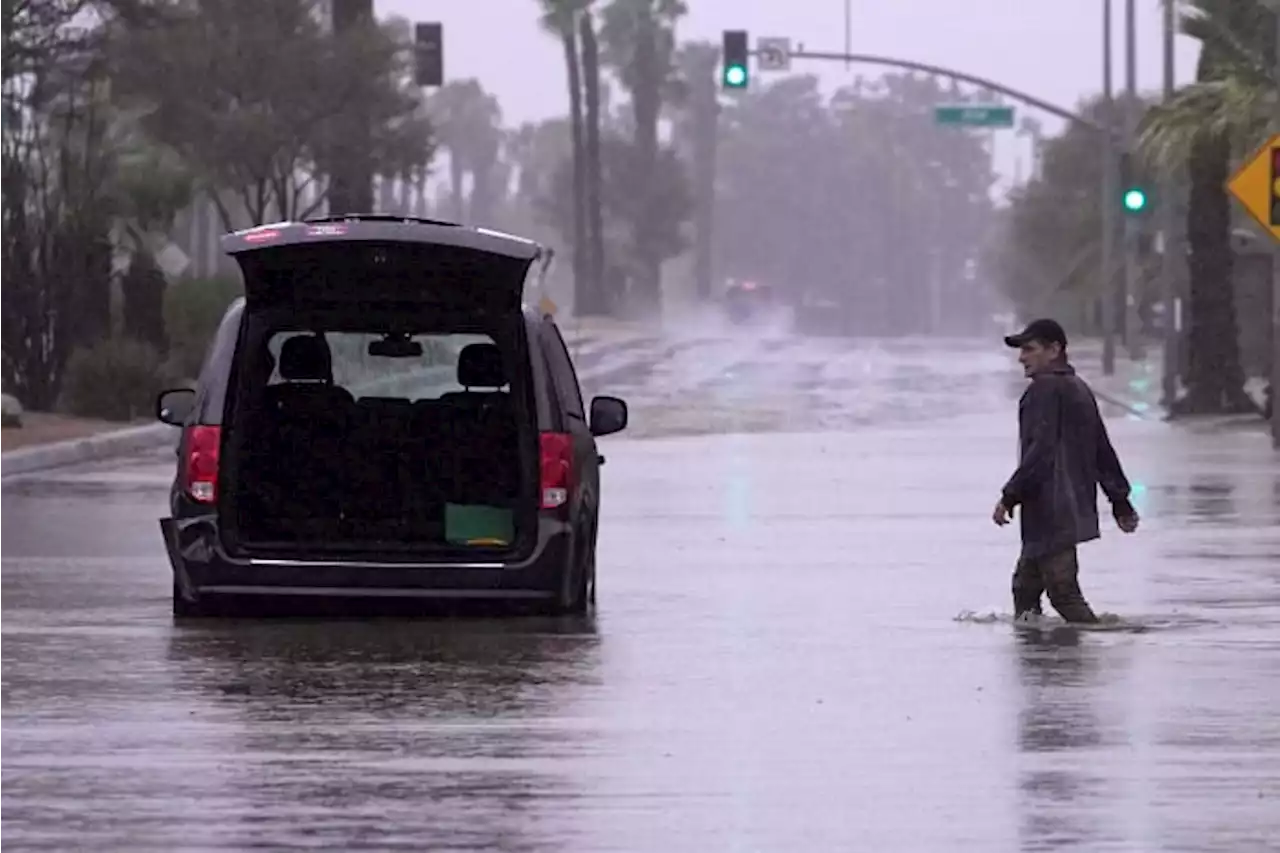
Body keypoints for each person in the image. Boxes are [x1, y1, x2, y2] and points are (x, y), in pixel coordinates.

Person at [992, 318, 1140, 624]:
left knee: (1063, 593)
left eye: (1029, 349)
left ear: (1054, 350)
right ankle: (1043, 661)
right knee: (1025, 589)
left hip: (1051, 510)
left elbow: (1040, 452)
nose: (1021, 358)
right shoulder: (1078, 389)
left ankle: (1077, 662)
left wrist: (1009, 495)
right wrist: (1120, 500)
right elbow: (1102, 448)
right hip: (1069, 507)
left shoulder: (1044, 391)